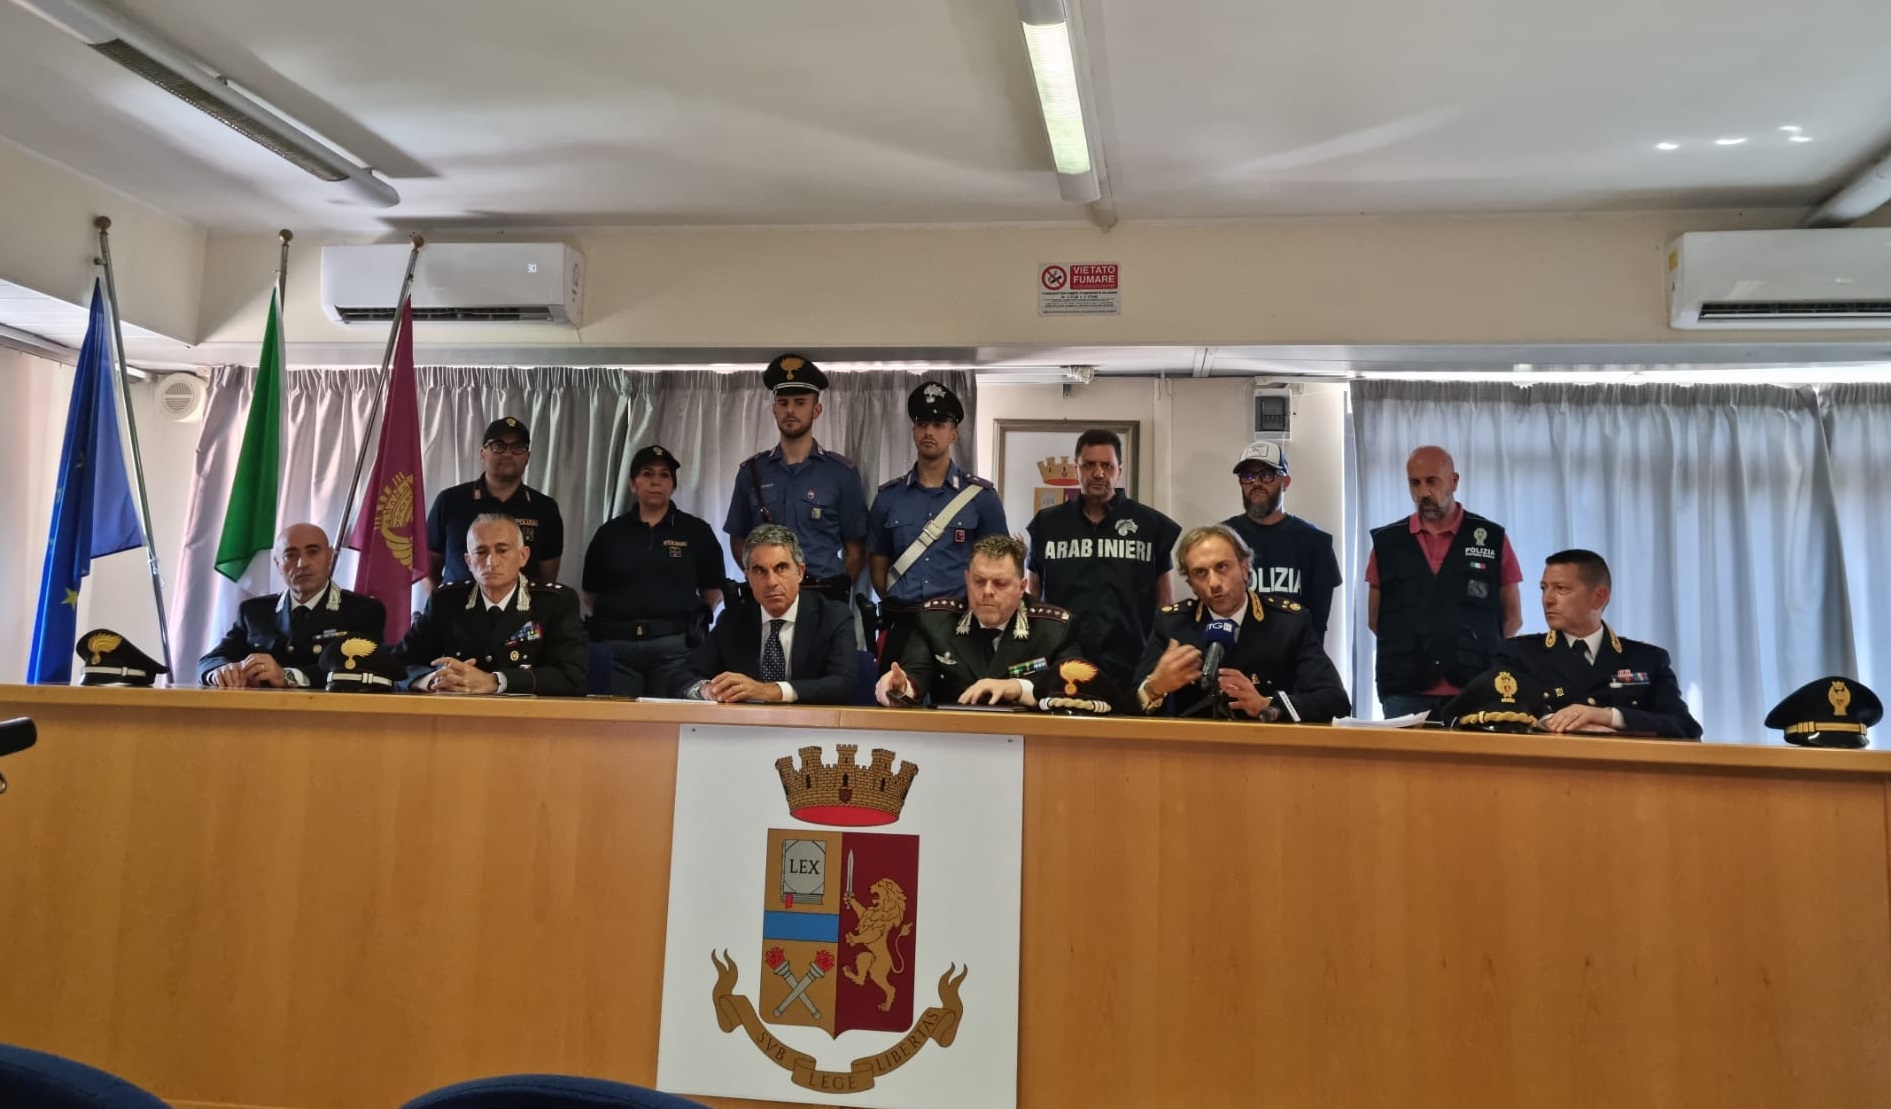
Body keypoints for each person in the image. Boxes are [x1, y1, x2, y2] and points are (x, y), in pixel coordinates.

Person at [1131, 524, 1350, 722]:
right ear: (1191, 585)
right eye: (1200, 573)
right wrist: (1154, 688)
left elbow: (1336, 701)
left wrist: (1267, 704)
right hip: (1195, 748)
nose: (1214, 583)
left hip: (1266, 746)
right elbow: (1129, 705)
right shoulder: (1173, 625)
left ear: (1245, 569)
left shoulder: (1288, 623)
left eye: (1222, 567)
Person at [1366, 445, 1522, 721]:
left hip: (1474, 686)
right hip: (1404, 689)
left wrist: (1474, 649)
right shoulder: (1387, 543)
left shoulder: (1491, 538)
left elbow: (1512, 619)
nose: (1423, 492)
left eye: (1432, 481)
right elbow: (1376, 621)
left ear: (1454, 481)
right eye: (1415, 483)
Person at [1482, 549, 1702, 739]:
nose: (1547, 599)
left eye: (1561, 589)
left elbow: (1685, 727)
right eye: (1544, 588)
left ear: (1599, 598)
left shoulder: (1647, 659)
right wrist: (1548, 722)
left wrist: (1609, 716)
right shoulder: (1518, 654)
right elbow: (1489, 714)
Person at [1026, 428, 1181, 690]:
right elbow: (1033, 594)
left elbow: (1165, 601)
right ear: (1076, 469)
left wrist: (1159, 654)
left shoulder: (1151, 525)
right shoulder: (1047, 524)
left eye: (1107, 465)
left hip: (1132, 665)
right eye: (1089, 465)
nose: (1098, 473)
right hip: (1062, 663)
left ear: (1119, 470)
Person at [867, 381, 1007, 671]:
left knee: (964, 701)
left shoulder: (981, 498)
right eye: (922, 424)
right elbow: (878, 570)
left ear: (954, 433)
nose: (929, 432)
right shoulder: (888, 498)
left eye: (939, 424)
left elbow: (1000, 568)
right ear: (913, 430)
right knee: (894, 698)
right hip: (902, 624)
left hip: (960, 627)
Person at [582, 444, 725, 697]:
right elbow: (591, 594)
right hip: (617, 650)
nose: (656, 481)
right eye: (647, 474)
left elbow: (712, 593)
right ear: (632, 484)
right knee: (616, 719)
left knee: (669, 720)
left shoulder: (696, 531)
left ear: (673, 485)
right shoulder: (610, 533)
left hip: (675, 650)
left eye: (664, 475)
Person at [723, 354, 867, 605]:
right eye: (783, 403)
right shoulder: (752, 472)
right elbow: (739, 540)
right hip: (769, 600)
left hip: (824, 598)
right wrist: (761, 579)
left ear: (816, 410)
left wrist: (836, 593)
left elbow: (855, 548)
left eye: (800, 402)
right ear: (774, 409)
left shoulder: (841, 473)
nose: (790, 410)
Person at [398, 514, 587, 696]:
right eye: (481, 552)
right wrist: (433, 680)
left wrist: (495, 682)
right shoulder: (446, 602)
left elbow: (573, 676)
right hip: (458, 712)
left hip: (527, 714)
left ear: (523, 556)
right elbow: (398, 664)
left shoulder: (555, 603)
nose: (491, 562)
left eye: (502, 550)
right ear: (469, 561)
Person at [875, 535, 1075, 707]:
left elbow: (1077, 685)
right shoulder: (936, 622)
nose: (987, 591)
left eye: (1000, 583)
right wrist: (901, 688)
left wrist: (1018, 687)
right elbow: (915, 675)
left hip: (1027, 735)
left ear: (1022, 587)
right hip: (955, 733)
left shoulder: (1053, 628)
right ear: (967, 579)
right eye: (979, 581)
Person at [675, 524, 858, 705]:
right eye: (759, 571)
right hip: (747, 723)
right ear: (748, 577)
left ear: (800, 572)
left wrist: (770, 691)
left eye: (781, 568)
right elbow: (685, 677)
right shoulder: (732, 620)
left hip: (810, 722)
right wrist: (707, 690)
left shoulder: (833, 617)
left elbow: (843, 684)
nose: (771, 582)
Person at [199, 522, 387, 688]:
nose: (302, 563)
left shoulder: (363, 610)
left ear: (330, 556)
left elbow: (362, 667)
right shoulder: (255, 612)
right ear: (278, 564)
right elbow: (210, 660)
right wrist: (221, 671)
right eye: (290, 555)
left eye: (313, 552)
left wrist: (288, 676)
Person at [426, 416, 565, 587]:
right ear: (482, 454)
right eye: (498, 446)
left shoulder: (545, 509)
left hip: (524, 604)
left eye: (518, 447)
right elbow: (426, 567)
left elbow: (547, 579)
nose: (507, 454)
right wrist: (441, 601)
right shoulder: (450, 502)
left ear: (527, 457)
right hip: (458, 604)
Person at [1222, 441, 1342, 637]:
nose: (1256, 483)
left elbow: (1318, 621)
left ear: (1286, 482)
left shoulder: (1315, 542)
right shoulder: (1222, 538)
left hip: (1294, 653)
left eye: (1266, 475)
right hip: (1236, 651)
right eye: (1248, 476)